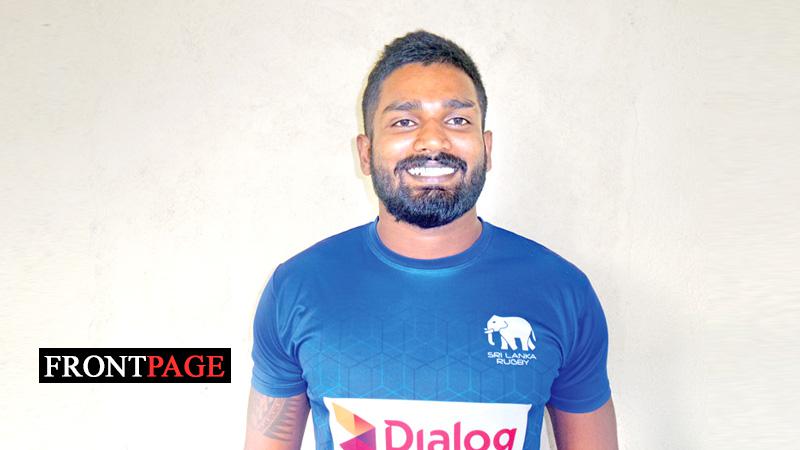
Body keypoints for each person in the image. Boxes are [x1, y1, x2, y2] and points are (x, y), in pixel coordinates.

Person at [244, 30, 618, 450]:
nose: (434, 140)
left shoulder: (562, 292)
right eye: (404, 121)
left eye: (457, 120)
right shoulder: (297, 289)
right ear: (365, 153)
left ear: (486, 148)